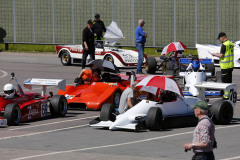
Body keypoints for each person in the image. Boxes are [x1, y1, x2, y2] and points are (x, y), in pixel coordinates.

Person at [211, 32, 234, 99]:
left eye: (220, 38)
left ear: (223, 37)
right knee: (229, 81)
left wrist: (214, 54)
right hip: (230, 65)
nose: (219, 40)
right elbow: (227, 54)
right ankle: (229, 94)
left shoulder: (224, 45)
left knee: (224, 82)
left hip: (225, 66)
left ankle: (226, 95)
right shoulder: (230, 44)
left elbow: (221, 55)